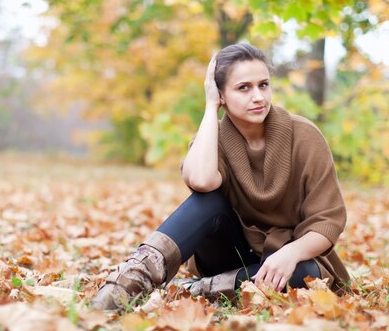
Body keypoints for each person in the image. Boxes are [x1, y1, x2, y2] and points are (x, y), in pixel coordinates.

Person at [91, 43, 349, 312]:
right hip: (227, 253)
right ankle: (125, 285)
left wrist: (291, 253)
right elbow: (201, 181)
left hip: (287, 259)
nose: (258, 96)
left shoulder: (305, 136)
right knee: (207, 200)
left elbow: (328, 220)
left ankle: (199, 289)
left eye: (263, 85)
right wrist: (209, 108)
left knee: (306, 273)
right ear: (221, 95)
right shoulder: (211, 139)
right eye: (243, 88)